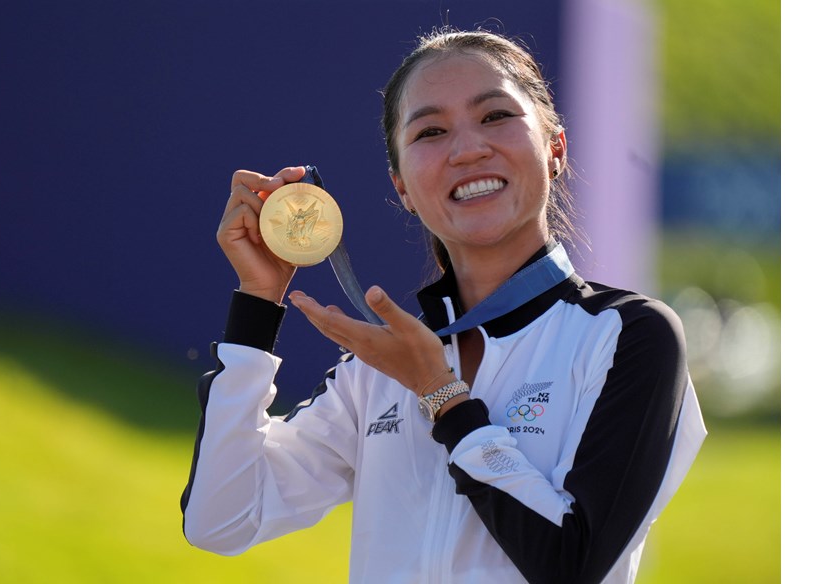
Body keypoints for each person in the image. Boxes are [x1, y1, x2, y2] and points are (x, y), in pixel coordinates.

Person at [180, 27, 706, 583]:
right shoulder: (378, 371)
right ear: (402, 186)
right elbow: (222, 521)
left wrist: (443, 397)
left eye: (496, 116)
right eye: (431, 130)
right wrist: (258, 306)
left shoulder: (628, 335)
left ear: (555, 149)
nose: (468, 148)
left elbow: (570, 565)